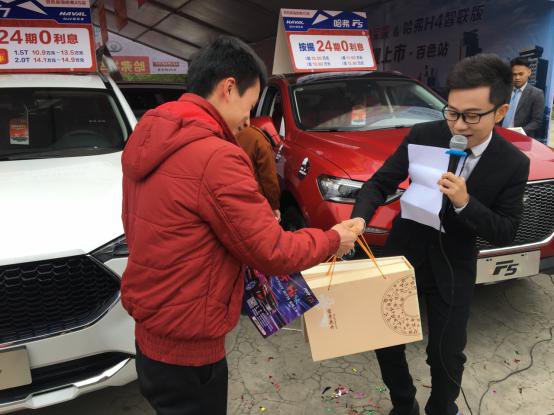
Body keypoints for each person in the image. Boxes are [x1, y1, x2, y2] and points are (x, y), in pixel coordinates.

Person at [120, 36, 360, 415]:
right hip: (189, 347)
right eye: (249, 105)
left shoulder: (149, 138)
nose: (249, 120)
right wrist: (332, 239)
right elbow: (272, 250)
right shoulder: (216, 156)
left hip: (153, 331)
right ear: (228, 87)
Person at [347, 54, 530, 415]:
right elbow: (379, 183)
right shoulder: (424, 135)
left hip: (455, 261)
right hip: (405, 250)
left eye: (472, 116)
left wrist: (466, 203)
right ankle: (403, 403)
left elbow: (505, 231)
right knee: (385, 337)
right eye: (452, 112)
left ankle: (441, 408)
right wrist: (359, 220)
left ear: (500, 111)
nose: (458, 125)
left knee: (446, 353)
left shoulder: (512, 162)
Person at [236, 125, 281, 221]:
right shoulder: (256, 137)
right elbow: (269, 178)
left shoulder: (220, 135)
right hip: (256, 204)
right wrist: (274, 206)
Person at [502, 57, 545, 138]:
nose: (517, 78)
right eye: (514, 74)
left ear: (529, 72)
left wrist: (520, 132)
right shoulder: (505, 90)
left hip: (521, 138)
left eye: (521, 74)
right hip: (500, 134)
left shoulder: (537, 94)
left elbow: (537, 121)